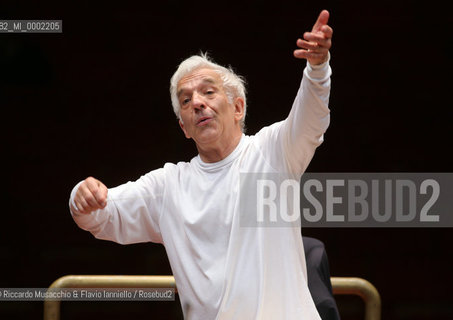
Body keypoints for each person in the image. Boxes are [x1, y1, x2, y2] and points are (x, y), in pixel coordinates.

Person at [69, 9, 333, 320]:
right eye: (185, 100)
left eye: (208, 92)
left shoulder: (272, 153)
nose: (197, 103)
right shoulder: (169, 186)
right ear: (184, 126)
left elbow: (311, 119)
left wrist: (317, 69)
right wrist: (81, 195)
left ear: (237, 107)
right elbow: (100, 216)